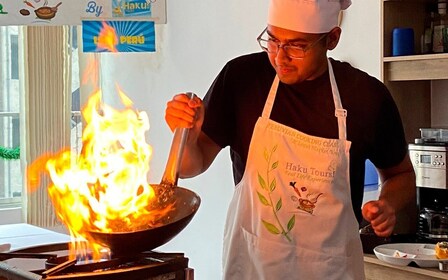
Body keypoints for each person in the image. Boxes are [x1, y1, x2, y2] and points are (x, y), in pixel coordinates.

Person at [165, 0, 416, 279]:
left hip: (331, 271)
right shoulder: (241, 79)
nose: (279, 57)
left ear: (332, 38)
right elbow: (190, 167)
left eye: (297, 46)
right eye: (273, 40)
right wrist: (185, 134)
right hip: (253, 268)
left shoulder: (367, 96)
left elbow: (401, 175)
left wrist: (387, 205)